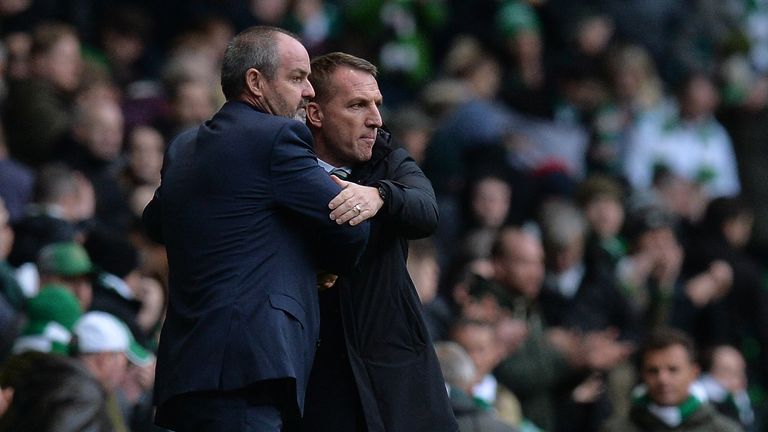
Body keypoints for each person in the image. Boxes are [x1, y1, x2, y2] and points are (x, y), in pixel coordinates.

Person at [143, 27, 370, 432]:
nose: (309, 93)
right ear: (255, 82)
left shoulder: (183, 147)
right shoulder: (278, 136)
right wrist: (322, 262)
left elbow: (156, 222)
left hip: (186, 371)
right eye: (298, 78)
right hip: (250, 368)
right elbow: (348, 226)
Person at [299, 52, 457, 431]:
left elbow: (425, 211)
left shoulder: (387, 159)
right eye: (357, 105)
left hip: (396, 371)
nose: (375, 119)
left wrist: (380, 196)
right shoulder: (283, 166)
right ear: (315, 113)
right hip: (319, 375)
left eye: (377, 105)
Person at [600, 328, 743, 432]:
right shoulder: (615, 429)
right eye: (653, 371)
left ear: (694, 372)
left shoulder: (724, 430)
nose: (663, 379)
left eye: (673, 370)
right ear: (642, 374)